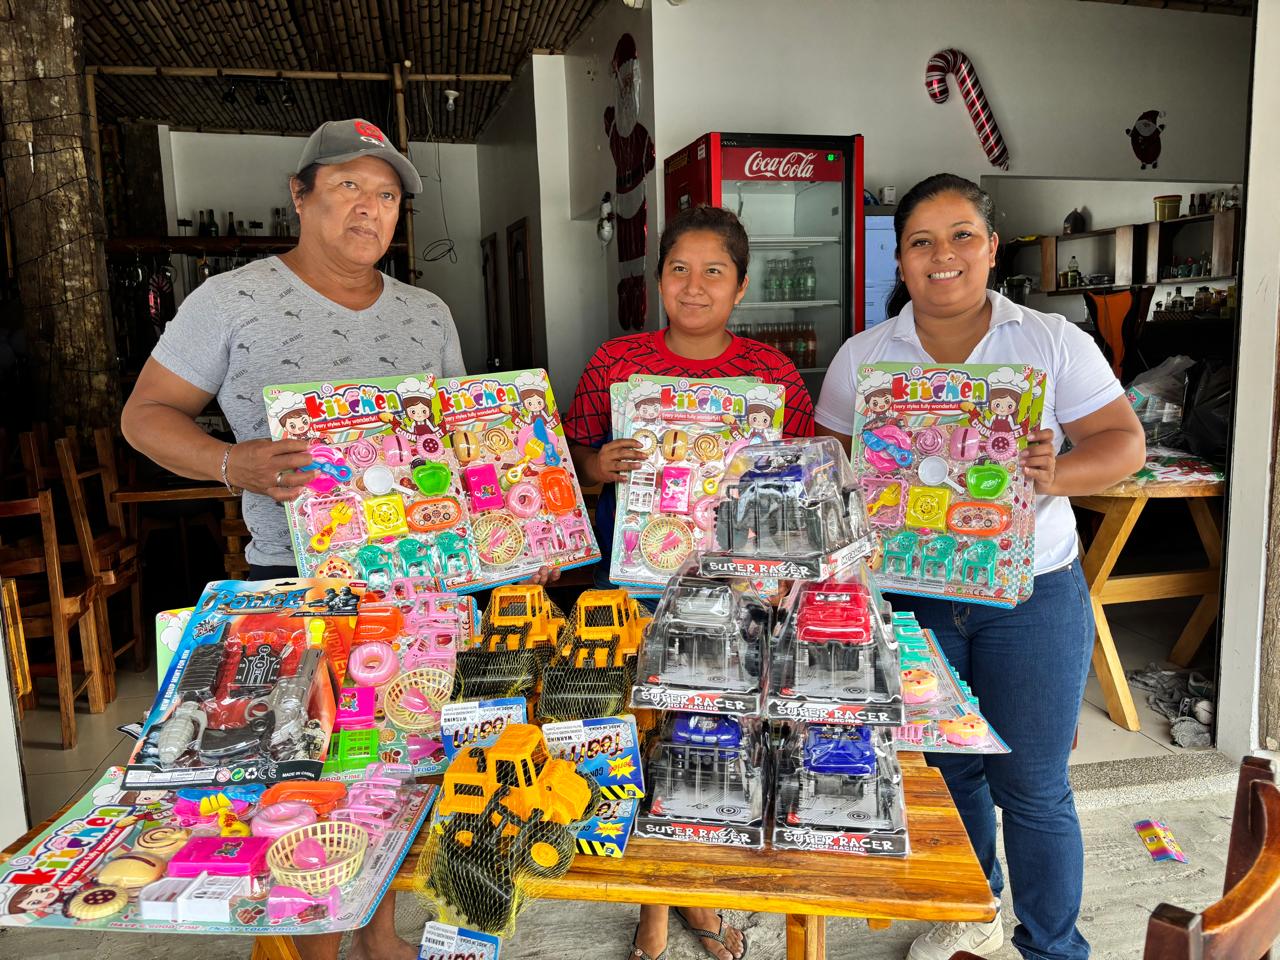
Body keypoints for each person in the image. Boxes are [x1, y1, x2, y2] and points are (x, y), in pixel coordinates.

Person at [120, 118, 463, 960]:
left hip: (419, 580)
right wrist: (229, 460)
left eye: (387, 195)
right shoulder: (230, 301)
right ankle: (317, 944)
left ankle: (380, 935)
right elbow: (144, 415)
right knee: (308, 770)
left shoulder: (427, 312)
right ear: (300, 196)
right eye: (348, 186)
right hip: (296, 580)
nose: (370, 208)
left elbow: (452, 443)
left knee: (398, 764)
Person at [815, 174, 1145, 960]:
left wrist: (1055, 474)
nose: (944, 255)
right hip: (912, 597)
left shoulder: (1051, 340)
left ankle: (1053, 947)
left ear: (992, 247)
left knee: (1032, 786)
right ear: (901, 259)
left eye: (962, 235)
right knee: (950, 773)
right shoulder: (864, 356)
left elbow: (1123, 444)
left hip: (1031, 594)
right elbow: (830, 464)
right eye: (922, 241)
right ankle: (975, 909)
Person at [564, 204, 815, 960]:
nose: (695, 286)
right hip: (639, 579)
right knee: (641, 730)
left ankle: (693, 890)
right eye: (679, 269)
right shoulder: (616, 363)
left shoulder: (772, 375)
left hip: (736, 590)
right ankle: (653, 898)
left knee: (712, 733)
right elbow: (565, 461)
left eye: (714, 272)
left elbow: (803, 481)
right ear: (658, 280)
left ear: (741, 286)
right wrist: (598, 464)